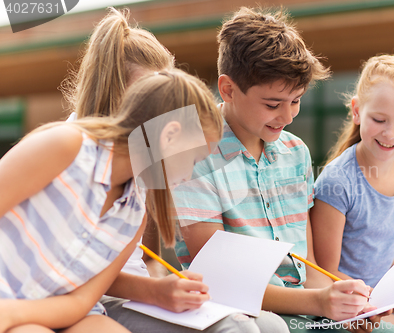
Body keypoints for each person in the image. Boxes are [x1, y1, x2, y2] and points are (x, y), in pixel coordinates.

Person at [171, 7, 394, 333]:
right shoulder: (192, 153)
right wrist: (321, 302)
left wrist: (349, 306)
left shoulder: (295, 152)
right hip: (245, 315)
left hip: (306, 311)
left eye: (296, 100)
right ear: (227, 89)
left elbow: (308, 265)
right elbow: (220, 282)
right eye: (272, 104)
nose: (288, 116)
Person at [61, 8, 287, 333]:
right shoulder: (73, 152)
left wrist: (162, 285)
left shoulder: (143, 154)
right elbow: (75, 272)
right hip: (102, 298)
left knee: (271, 327)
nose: (158, 106)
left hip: (129, 291)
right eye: (148, 94)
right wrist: (155, 290)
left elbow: (140, 252)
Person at [0, 69, 223, 333]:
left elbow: (81, 301)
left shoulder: (135, 215)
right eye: (194, 160)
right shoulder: (67, 145)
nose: (189, 175)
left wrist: (11, 314)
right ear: (169, 136)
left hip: (48, 314)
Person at [311, 54, 394, 332]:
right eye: (379, 119)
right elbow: (324, 271)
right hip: (343, 309)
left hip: (381, 303)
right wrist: (393, 303)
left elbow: (387, 247)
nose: (391, 134)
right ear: (356, 111)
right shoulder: (337, 181)